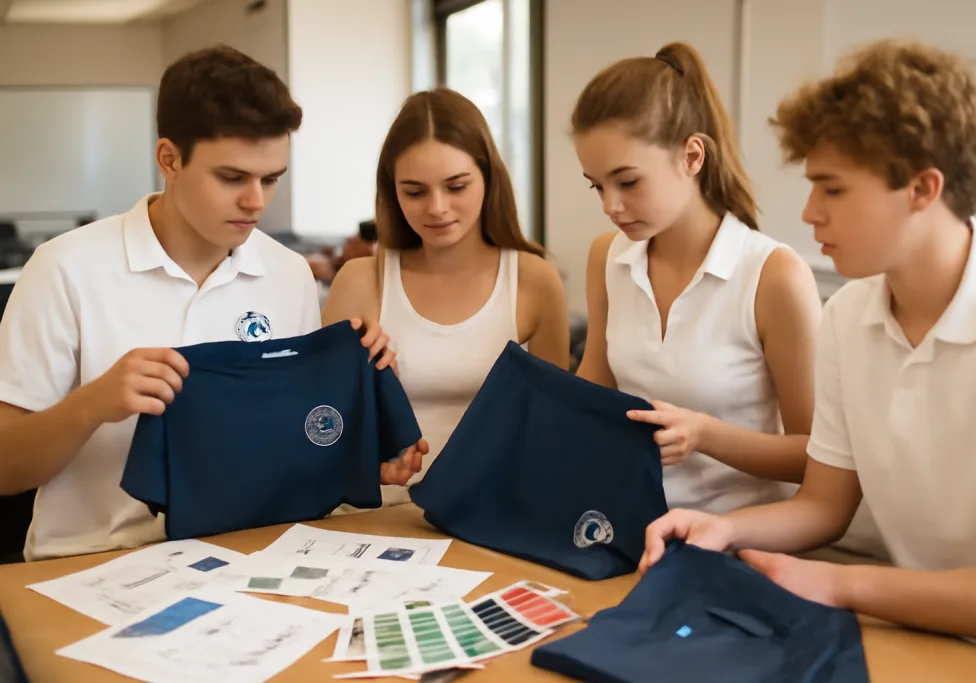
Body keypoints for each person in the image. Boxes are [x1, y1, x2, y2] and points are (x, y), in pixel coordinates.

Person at [641, 39, 976, 658]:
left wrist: (844, 584)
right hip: (911, 635)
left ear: (923, 188)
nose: (810, 212)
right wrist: (722, 530)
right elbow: (824, 503)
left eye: (834, 189)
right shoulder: (849, 314)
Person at [0, 45, 419, 562]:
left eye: (270, 179)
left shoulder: (288, 274)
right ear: (169, 159)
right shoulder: (64, 268)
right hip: (90, 561)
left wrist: (358, 449)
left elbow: (285, 443)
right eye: (232, 178)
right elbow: (5, 469)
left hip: (247, 560)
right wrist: (92, 405)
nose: (257, 202)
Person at [571, 42, 822, 514]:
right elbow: (592, 397)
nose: (610, 206)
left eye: (627, 182)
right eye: (596, 185)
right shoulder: (608, 257)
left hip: (739, 544)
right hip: (623, 526)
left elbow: (818, 458)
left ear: (692, 156)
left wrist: (707, 435)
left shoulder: (773, 276)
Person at [322, 88, 570, 505]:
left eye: (456, 186)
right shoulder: (361, 280)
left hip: (492, 514)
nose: (437, 208)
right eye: (415, 192)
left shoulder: (534, 280)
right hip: (375, 517)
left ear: (488, 176)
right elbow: (323, 428)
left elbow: (553, 431)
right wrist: (373, 412)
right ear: (392, 191)